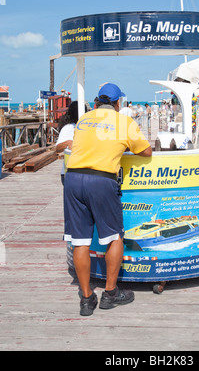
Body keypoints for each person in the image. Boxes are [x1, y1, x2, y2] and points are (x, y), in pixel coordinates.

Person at [64, 83, 152, 316]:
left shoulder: (84, 119)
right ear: (117, 103)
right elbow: (146, 151)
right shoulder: (124, 122)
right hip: (101, 179)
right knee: (114, 237)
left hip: (73, 179)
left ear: (96, 102)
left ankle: (86, 298)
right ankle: (110, 293)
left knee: (80, 240)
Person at [56, 101, 81, 185]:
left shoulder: (83, 127)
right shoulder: (69, 128)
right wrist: (68, 142)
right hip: (69, 172)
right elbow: (57, 148)